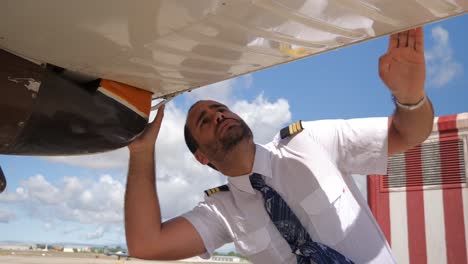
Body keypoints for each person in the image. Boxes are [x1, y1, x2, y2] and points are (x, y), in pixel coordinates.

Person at [124, 27, 434, 263]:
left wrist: (410, 97)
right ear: (201, 157)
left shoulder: (309, 142)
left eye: (221, 108)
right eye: (204, 121)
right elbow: (146, 245)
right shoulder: (223, 211)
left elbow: (406, 134)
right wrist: (141, 152)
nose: (218, 116)